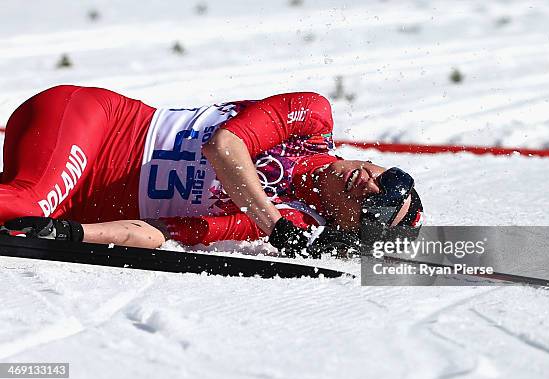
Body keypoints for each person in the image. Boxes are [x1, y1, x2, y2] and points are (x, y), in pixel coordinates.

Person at [0, 85, 423, 257]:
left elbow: (165, 231)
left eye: (373, 205)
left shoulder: (291, 219)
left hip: (76, 197)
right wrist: (271, 222)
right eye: (391, 179)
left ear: (347, 225)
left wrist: (74, 233)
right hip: (93, 123)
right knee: (25, 200)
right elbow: (224, 146)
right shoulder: (312, 119)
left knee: (28, 213)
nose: (369, 184)